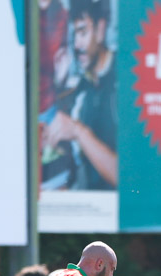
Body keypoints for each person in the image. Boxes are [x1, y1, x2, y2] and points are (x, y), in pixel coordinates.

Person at [43, 0, 117, 189]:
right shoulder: (84, 87)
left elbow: (125, 175)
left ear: (101, 30)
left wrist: (77, 131)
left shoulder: (123, 79)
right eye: (74, 34)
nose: (76, 44)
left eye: (83, 32)